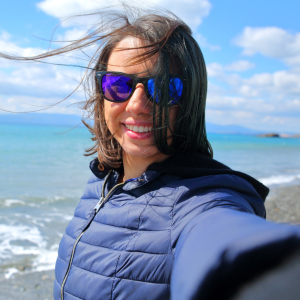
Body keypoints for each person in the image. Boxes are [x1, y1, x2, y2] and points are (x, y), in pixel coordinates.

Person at [1, 7, 300, 300]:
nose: (136, 105)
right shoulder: (102, 183)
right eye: (119, 84)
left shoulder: (201, 202)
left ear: (191, 102)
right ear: (101, 94)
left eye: (166, 88)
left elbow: (222, 239)